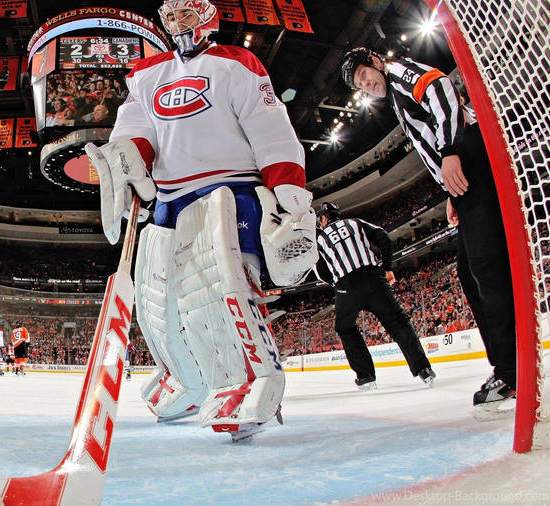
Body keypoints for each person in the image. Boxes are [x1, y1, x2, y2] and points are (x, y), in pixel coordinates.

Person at [85, 0, 317, 440]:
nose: (176, 23)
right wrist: (128, 163)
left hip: (230, 188)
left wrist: (288, 191)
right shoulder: (146, 73)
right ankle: (188, 378)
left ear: (207, 15)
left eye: (185, 13)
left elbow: (271, 129)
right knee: (159, 300)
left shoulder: (237, 63)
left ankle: (248, 380)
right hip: (169, 198)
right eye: (170, 16)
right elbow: (136, 131)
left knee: (221, 289)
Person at [341, 48, 516, 413]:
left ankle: (512, 369)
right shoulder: (396, 95)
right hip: (462, 180)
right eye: (359, 84)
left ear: (375, 62)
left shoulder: (398, 71)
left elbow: (440, 88)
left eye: (364, 74)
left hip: (470, 158)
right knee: (469, 274)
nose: (366, 84)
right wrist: (450, 192)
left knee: (486, 268)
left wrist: (451, 152)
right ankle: (506, 364)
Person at [314, 202, 435, 390]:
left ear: (323, 218)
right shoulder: (356, 222)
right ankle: (423, 369)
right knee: (398, 322)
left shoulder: (320, 239)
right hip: (373, 277)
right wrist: (387, 268)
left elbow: (320, 271)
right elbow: (384, 238)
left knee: (345, 327)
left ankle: (366, 376)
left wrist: (337, 284)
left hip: (346, 285)